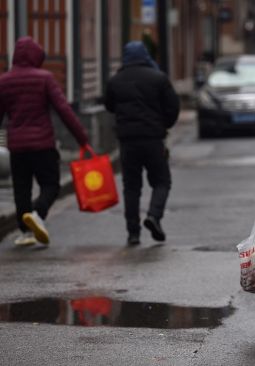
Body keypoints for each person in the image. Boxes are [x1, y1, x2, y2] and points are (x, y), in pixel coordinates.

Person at [0, 37, 89, 247]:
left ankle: (25, 232)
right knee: (51, 184)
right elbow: (64, 110)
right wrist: (82, 138)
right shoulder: (45, 78)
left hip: (18, 145)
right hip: (43, 144)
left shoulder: (4, 81)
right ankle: (38, 214)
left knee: (21, 188)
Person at [104, 41, 180, 246]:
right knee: (162, 181)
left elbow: (109, 105)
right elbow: (173, 106)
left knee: (131, 186)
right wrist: (164, 124)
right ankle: (154, 215)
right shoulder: (158, 78)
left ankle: (133, 233)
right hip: (153, 138)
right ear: (145, 55)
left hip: (127, 141)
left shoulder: (115, 80)